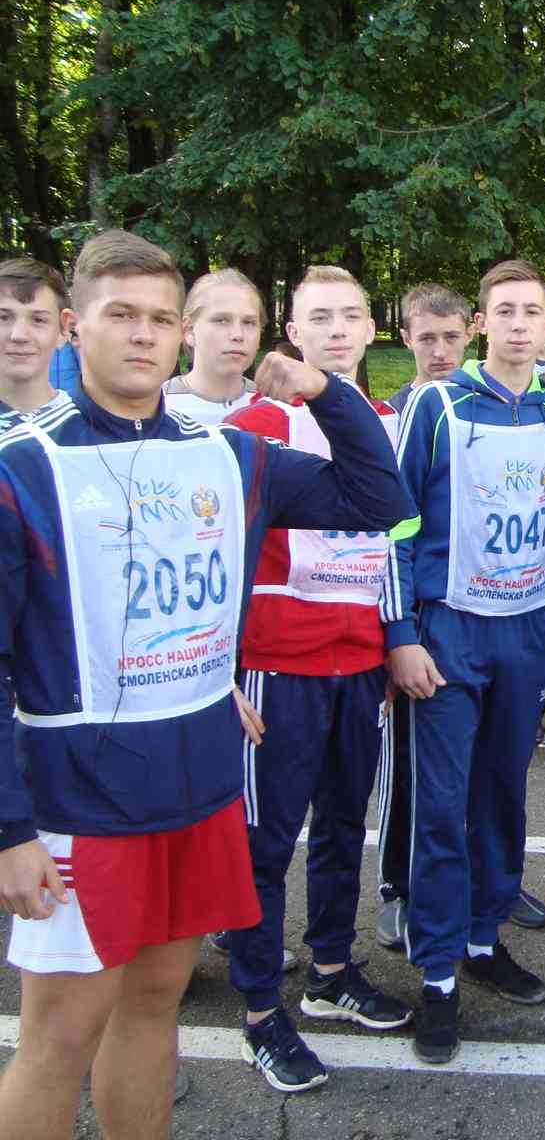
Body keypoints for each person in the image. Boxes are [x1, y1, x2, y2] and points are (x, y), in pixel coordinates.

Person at [0, 229, 411, 1140]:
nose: (142, 335)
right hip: (82, 804)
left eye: (158, 318)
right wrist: (9, 830)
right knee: (61, 1036)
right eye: (120, 316)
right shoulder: (22, 465)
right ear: (74, 327)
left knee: (155, 1005)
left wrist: (326, 391)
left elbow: (379, 502)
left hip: (199, 788)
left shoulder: (224, 452)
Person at [383, 259, 545, 1063]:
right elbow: (392, 522)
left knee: (502, 794)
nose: (520, 323)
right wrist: (400, 633)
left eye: (534, 311)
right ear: (482, 323)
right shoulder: (435, 404)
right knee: (441, 806)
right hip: (448, 633)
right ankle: (436, 976)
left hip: (526, 630)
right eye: (505, 310)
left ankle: (483, 939)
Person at [221, 265, 415, 1092]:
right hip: (278, 667)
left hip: (358, 666)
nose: (337, 330)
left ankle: (331, 969)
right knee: (266, 843)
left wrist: (396, 637)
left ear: (371, 330)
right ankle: (261, 1010)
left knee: (342, 827)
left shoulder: (381, 422)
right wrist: (223, 670)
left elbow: (394, 534)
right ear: (293, 334)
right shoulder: (253, 424)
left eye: (351, 316)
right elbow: (220, 556)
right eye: (319, 319)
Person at [375, 283, 477, 951]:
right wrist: (396, 629)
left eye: (450, 337)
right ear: (406, 338)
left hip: (480, 617)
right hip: (416, 617)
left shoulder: (482, 405)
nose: (439, 351)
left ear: (470, 334)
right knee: (409, 769)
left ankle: (480, 881)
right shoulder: (393, 414)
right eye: (426, 338)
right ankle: (396, 887)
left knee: (480, 770)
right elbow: (391, 528)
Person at [163, 270, 261, 425]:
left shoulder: (276, 408)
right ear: (189, 330)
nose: (238, 335)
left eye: (249, 322)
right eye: (221, 320)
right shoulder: (155, 405)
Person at [0, 258, 71, 426]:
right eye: (3, 317)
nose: (19, 335)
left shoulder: (88, 426)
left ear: (63, 331)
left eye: (38, 320)